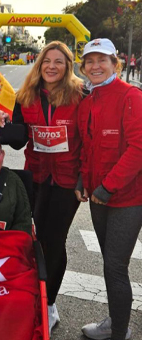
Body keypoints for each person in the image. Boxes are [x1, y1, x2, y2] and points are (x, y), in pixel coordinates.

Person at [0, 41, 84, 335]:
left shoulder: (81, 95)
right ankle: (33, 291)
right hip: (37, 177)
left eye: (59, 62)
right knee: (34, 239)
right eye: (47, 61)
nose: (52, 66)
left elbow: (91, 138)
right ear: (39, 65)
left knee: (54, 240)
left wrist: (87, 179)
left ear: (68, 67)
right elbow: (18, 140)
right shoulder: (25, 96)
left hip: (67, 181)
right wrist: (3, 121)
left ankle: (50, 303)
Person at [75, 38, 142, 340]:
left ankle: (118, 332)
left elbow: (138, 148)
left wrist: (107, 187)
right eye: (90, 61)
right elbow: (86, 148)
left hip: (128, 199)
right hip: (98, 197)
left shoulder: (131, 96)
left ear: (116, 64)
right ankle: (117, 322)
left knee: (115, 267)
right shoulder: (87, 101)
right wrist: (82, 179)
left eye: (103, 60)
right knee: (110, 265)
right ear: (84, 67)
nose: (96, 66)